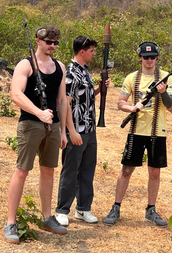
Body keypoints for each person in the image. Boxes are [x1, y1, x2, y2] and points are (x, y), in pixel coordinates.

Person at [103, 41, 172, 227]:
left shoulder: (166, 77)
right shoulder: (132, 78)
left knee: (155, 172)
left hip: (158, 132)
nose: (149, 60)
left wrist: (163, 92)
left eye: (152, 57)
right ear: (140, 58)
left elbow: (170, 104)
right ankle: (116, 207)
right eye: (145, 57)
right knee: (126, 170)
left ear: (157, 58)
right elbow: (120, 103)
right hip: (136, 130)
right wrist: (132, 108)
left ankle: (151, 210)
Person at [3, 25, 68, 243]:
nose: (52, 46)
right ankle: (11, 221)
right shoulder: (26, 64)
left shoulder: (60, 67)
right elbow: (16, 94)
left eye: (55, 43)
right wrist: (39, 113)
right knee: (22, 171)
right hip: (31, 124)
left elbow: (61, 100)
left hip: (54, 126)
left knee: (48, 171)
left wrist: (64, 131)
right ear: (38, 42)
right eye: (48, 42)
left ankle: (47, 217)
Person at [55, 36, 109, 226]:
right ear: (82, 51)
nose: (94, 54)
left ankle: (83, 208)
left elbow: (82, 97)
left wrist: (98, 90)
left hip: (89, 129)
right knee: (71, 170)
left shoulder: (84, 72)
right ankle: (62, 210)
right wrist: (71, 130)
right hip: (76, 130)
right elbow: (65, 103)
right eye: (92, 50)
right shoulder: (70, 73)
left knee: (87, 170)